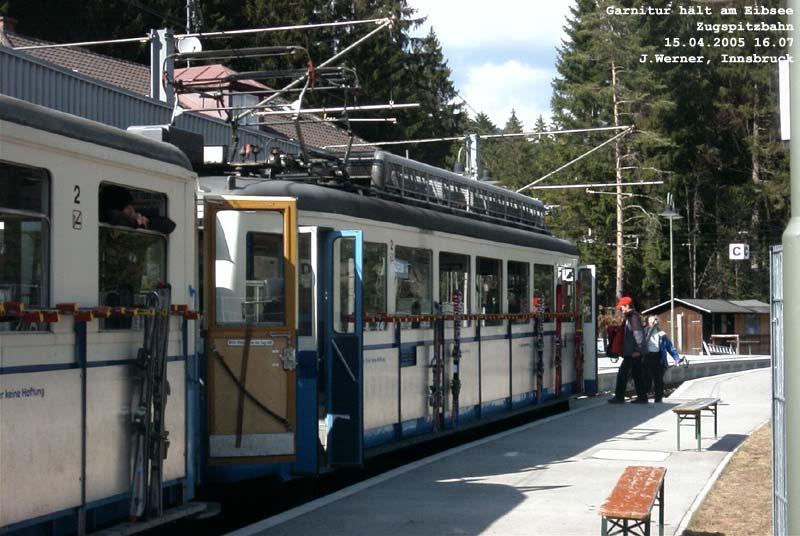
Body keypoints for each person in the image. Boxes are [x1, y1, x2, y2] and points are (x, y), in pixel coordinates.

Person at [608, 296, 648, 404]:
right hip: (633, 352)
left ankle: (619, 397)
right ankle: (642, 397)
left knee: (622, 374)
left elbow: (638, 334)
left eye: (621, 307)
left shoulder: (633, 317)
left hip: (633, 353)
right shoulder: (631, 317)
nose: (620, 309)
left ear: (627, 306)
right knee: (637, 375)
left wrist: (638, 350)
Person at [99, 184, 175, 234]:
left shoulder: (138, 216)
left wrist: (145, 223)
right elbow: (113, 217)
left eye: (130, 206)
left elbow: (169, 225)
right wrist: (134, 222)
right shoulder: (108, 217)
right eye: (127, 207)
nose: (131, 210)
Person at [643, 315, 684, 402]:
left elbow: (670, 347)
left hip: (659, 357)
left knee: (658, 379)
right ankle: (643, 397)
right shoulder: (644, 332)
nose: (654, 323)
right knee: (647, 379)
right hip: (647, 357)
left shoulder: (662, 334)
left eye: (655, 321)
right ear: (648, 323)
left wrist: (676, 358)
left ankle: (658, 399)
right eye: (651, 321)